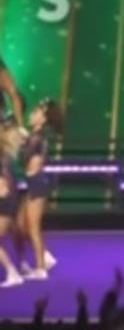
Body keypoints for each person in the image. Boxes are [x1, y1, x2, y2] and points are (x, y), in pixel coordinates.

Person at [14, 98, 63, 280]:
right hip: (32, 182)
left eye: (36, 113)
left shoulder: (38, 138)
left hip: (37, 183)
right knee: (21, 225)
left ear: (43, 119)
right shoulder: (34, 136)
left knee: (33, 227)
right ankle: (45, 255)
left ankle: (41, 268)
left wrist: (22, 141)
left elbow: (26, 160)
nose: (32, 115)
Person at [0, 124, 24, 287]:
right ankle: (19, 266)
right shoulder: (6, 155)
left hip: (4, 202)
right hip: (9, 201)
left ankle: (12, 272)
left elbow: (3, 187)